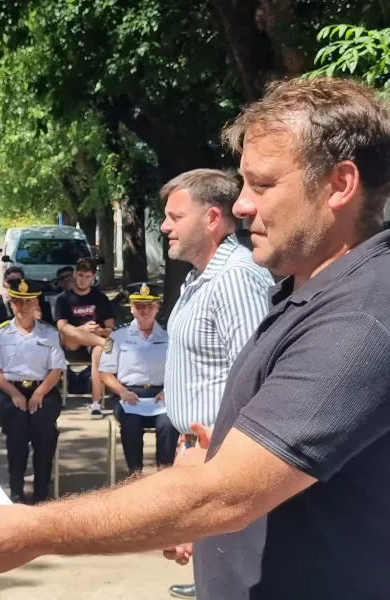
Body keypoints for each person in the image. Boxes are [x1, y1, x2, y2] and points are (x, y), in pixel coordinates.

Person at [0, 76, 390, 600]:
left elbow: (225, 496)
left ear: (339, 185)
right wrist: (215, 458)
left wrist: (33, 530)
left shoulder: (361, 317)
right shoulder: (310, 286)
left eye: (263, 184)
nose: (241, 207)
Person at [159, 168, 274, 598]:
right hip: (201, 452)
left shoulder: (236, 277)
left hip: (224, 461)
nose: (165, 226)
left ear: (211, 219)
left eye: (175, 216)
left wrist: (210, 470)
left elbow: (256, 383)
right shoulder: (200, 277)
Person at [0, 279, 66, 504]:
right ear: (11, 304)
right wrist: (15, 394)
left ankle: (41, 489)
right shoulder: (0, 334)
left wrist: (39, 394)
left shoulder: (48, 334)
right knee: (17, 426)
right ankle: (17, 489)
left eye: (28, 302)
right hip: (8, 391)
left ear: (36, 303)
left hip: (43, 389)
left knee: (44, 429)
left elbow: (56, 370)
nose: (23, 307)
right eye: (18, 302)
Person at [98, 282, 177, 475]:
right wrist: (122, 391)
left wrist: (168, 391)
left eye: (150, 306)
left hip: (161, 397)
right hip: (128, 396)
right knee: (130, 424)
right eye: (139, 306)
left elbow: (179, 370)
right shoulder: (116, 336)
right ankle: (135, 476)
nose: (145, 311)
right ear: (131, 308)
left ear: (157, 307)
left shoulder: (171, 336)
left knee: (169, 424)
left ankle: (164, 475)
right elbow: (104, 372)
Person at [54, 258, 115, 417]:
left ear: (93, 277)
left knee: (99, 352)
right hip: (71, 343)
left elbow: (110, 327)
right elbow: (61, 327)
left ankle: (95, 403)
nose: (83, 280)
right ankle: (103, 343)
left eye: (88, 276)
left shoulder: (100, 298)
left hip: (95, 342)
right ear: (75, 274)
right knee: (70, 334)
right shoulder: (63, 298)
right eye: (80, 275)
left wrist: (99, 331)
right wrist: (83, 329)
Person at [0, 266, 52, 342]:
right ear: (5, 282)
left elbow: (39, 320)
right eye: (11, 281)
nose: (15, 283)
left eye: (18, 280)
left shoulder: (33, 301)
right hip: (3, 340)